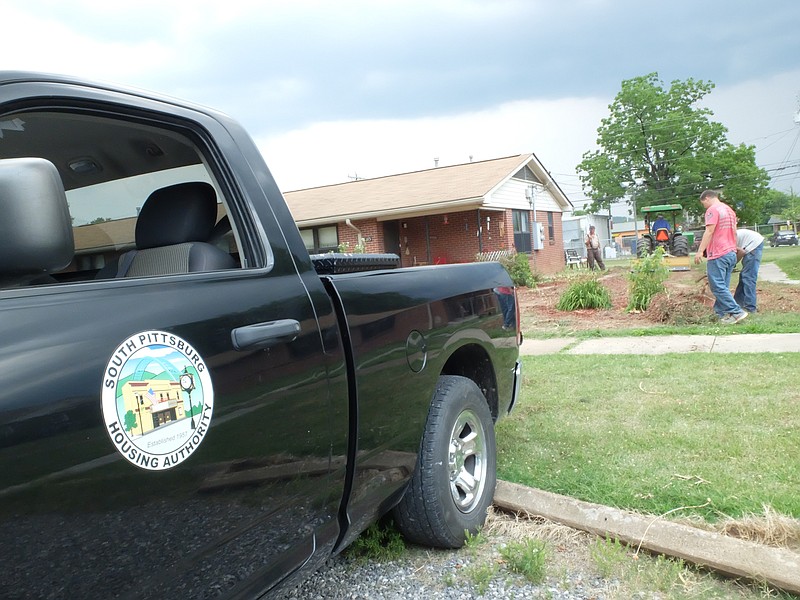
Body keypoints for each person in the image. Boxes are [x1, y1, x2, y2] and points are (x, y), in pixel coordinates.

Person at [694, 190, 747, 324]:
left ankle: (737, 311)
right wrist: (733, 248)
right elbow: (734, 232)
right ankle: (721, 314)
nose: (704, 206)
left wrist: (700, 251)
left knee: (717, 286)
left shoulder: (712, 210)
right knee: (723, 286)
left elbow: (710, 231)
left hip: (718, 253)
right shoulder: (729, 210)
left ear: (706, 198)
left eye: (703, 203)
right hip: (730, 252)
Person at [733, 228, 765, 314]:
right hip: (750, 243)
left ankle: (750, 307)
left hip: (754, 244)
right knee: (744, 276)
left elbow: (741, 252)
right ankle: (737, 304)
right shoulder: (724, 239)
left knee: (748, 277)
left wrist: (733, 265)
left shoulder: (727, 242)